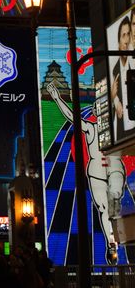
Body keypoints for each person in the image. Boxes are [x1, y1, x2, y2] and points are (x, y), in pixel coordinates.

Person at [47, 83, 132, 263]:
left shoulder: (117, 128)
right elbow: (72, 117)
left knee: (115, 196)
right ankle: (111, 243)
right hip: (96, 172)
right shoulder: (90, 128)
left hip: (115, 166)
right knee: (103, 209)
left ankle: (116, 213)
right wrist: (56, 98)